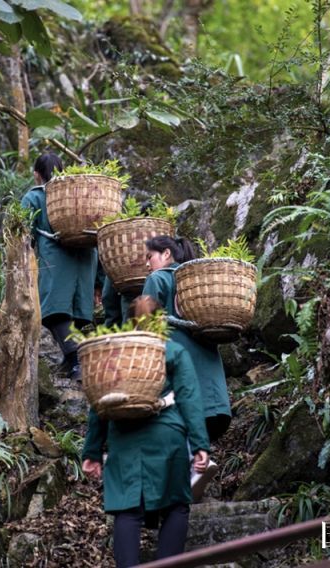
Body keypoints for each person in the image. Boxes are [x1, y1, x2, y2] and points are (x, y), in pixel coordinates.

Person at [81, 304, 211, 567]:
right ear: (161, 322)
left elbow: (99, 403)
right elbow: (188, 397)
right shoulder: (171, 350)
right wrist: (200, 444)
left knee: (128, 510)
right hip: (167, 435)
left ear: (130, 323)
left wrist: (92, 451)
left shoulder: (114, 355)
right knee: (175, 505)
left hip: (124, 437)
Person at [141, 235, 232, 498]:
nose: (148, 264)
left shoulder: (159, 279)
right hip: (211, 378)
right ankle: (197, 465)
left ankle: (194, 467)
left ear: (166, 253)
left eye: (150, 257)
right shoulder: (198, 285)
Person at [20, 152, 98, 379]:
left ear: (37, 175)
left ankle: (77, 359)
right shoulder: (77, 197)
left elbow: (23, 234)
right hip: (86, 261)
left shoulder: (35, 197)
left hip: (57, 260)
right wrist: (99, 281)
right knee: (71, 311)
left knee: (52, 312)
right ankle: (69, 361)